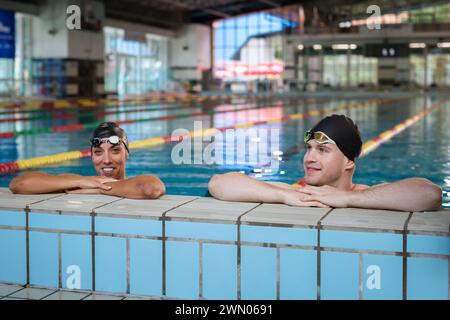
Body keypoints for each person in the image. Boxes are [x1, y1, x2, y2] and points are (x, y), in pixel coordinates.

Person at [208, 115, 442, 212]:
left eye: (322, 150)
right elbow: (219, 183)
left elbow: (430, 194)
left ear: (349, 161)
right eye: (309, 149)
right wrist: (282, 196)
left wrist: (348, 199)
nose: (309, 158)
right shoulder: (299, 193)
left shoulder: (367, 194)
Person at [9, 122, 165, 200]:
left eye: (115, 151)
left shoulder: (136, 182)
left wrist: (100, 188)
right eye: (98, 152)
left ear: (127, 153)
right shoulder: (77, 182)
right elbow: (18, 184)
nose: (106, 160)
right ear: (91, 156)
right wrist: (83, 181)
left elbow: (150, 189)